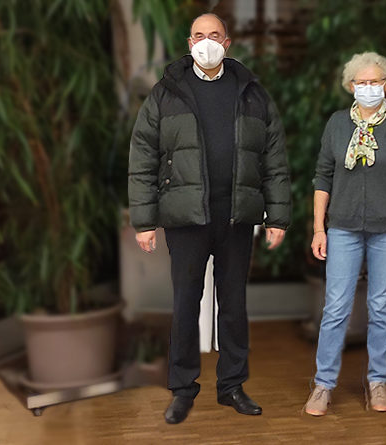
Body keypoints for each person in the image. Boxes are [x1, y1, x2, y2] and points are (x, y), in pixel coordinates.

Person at [128, 13, 291, 424]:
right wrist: (144, 221)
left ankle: (232, 385)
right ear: (189, 43)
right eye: (199, 36)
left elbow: (274, 158)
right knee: (186, 304)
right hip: (186, 217)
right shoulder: (166, 93)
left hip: (236, 216)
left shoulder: (252, 92)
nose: (206, 42)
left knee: (233, 305)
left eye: (214, 35)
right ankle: (182, 389)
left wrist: (278, 216)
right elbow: (143, 156)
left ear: (227, 42)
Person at [303, 52, 386, 416]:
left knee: (381, 307)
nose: (368, 87)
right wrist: (318, 227)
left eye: (375, 82)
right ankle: (323, 384)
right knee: (335, 307)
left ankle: (377, 381)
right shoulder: (337, 124)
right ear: (350, 86)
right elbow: (323, 177)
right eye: (361, 82)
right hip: (343, 228)